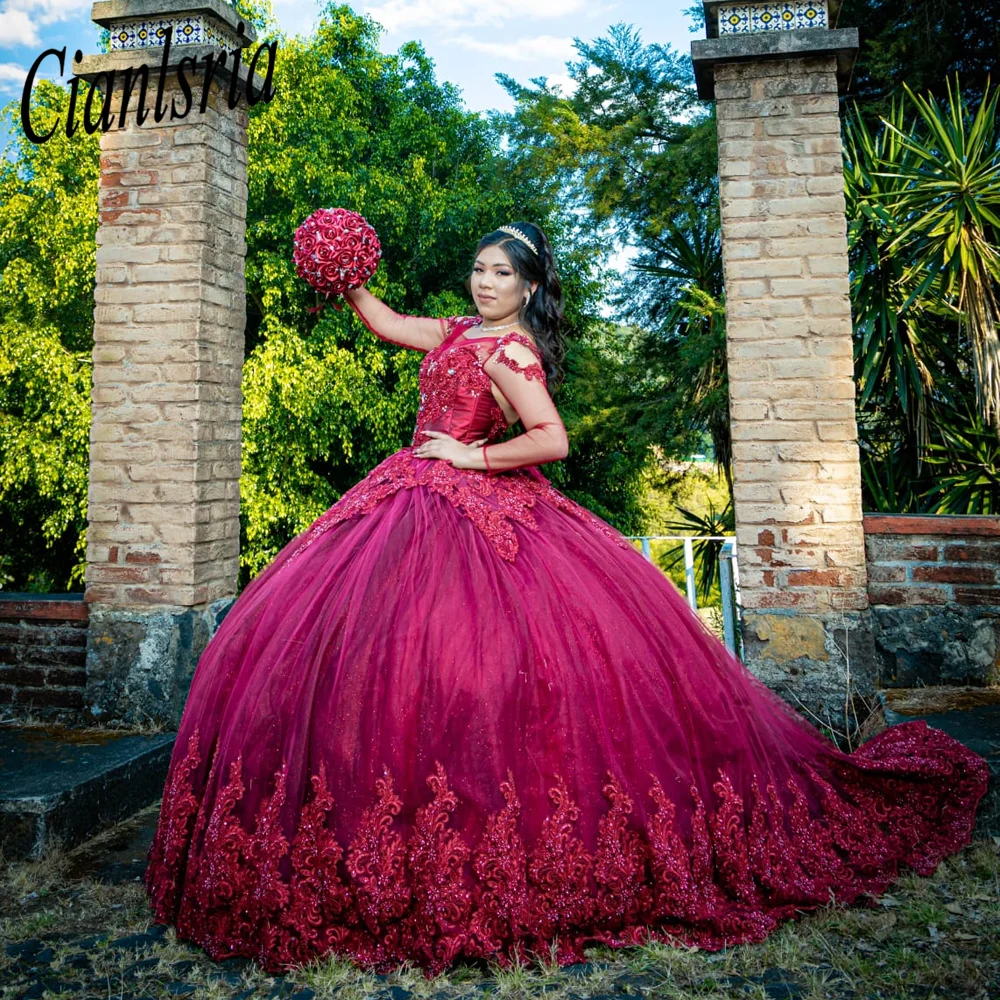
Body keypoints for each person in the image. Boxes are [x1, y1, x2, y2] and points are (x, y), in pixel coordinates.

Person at [143, 222, 989, 979]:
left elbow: (552, 438)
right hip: (408, 496)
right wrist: (348, 273)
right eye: (478, 269)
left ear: (530, 287)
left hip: (466, 493)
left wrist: (469, 461)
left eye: (502, 275)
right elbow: (391, 325)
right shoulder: (461, 331)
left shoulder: (509, 352)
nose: (484, 284)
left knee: (492, 667)